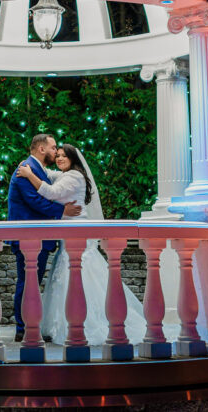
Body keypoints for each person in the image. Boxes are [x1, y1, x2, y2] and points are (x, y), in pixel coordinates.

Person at [16, 143, 147, 346]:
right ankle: (68, 320)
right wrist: (34, 168)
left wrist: (29, 174)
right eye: (57, 155)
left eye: (63, 156)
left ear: (73, 159)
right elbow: (49, 174)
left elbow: (50, 192)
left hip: (76, 232)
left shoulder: (74, 177)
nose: (59, 159)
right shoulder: (66, 174)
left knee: (80, 274)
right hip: (67, 233)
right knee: (67, 275)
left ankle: (84, 320)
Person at [7, 134, 81, 343]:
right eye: (53, 147)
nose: (55, 152)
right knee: (27, 281)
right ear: (41, 149)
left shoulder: (35, 170)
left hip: (38, 238)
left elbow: (46, 190)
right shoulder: (25, 169)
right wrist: (62, 209)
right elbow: (34, 201)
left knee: (33, 281)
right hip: (28, 237)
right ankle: (22, 328)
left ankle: (30, 324)